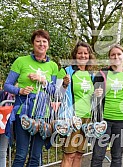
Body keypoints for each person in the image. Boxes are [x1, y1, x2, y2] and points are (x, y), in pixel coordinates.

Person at [4, 29, 58, 167]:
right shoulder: (21, 61)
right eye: (38, 41)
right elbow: (7, 85)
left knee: (35, 156)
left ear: (48, 44)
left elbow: (53, 91)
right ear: (33, 44)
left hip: (42, 114)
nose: (41, 44)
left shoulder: (53, 66)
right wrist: (20, 90)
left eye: (44, 41)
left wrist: (43, 80)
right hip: (23, 112)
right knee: (21, 154)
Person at [90, 44, 123, 167]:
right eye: (113, 55)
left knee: (117, 156)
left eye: (119, 54)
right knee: (98, 156)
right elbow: (92, 97)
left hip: (122, 121)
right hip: (104, 121)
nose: (116, 57)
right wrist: (95, 94)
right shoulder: (102, 73)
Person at [57, 41, 96, 167]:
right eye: (80, 53)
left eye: (86, 53)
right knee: (69, 155)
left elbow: (91, 96)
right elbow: (57, 94)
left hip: (87, 119)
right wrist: (64, 84)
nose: (83, 56)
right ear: (75, 55)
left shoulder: (92, 75)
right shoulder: (66, 71)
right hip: (72, 118)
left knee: (79, 154)